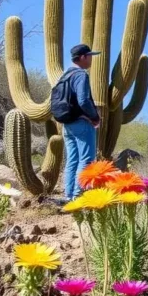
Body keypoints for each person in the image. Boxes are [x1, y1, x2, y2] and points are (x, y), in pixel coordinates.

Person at [57, 44, 101, 201]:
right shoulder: (80, 74)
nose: (91, 59)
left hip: (67, 124)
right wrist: (94, 117)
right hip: (82, 123)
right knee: (86, 160)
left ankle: (68, 196)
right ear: (83, 57)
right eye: (90, 56)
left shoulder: (64, 75)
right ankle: (78, 196)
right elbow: (83, 100)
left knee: (72, 159)